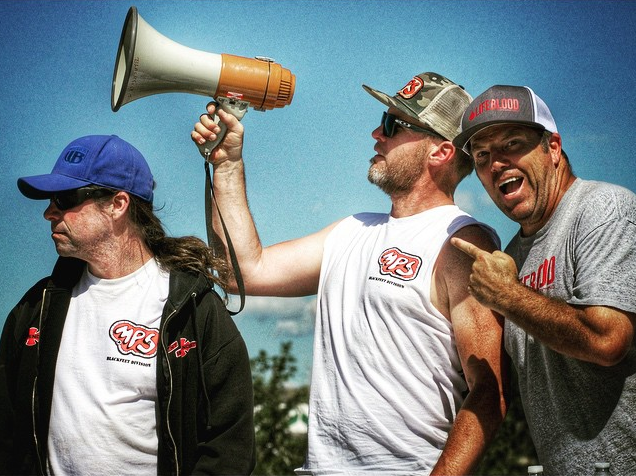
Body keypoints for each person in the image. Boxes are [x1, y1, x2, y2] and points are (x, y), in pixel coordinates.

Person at [192, 72, 509, 475]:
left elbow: (490, 392)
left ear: (441, 152)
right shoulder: (351, 231)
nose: (378, 132)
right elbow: (241, 273)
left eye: (394, 124)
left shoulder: (463, 244)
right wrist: (226, 164)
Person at [0, 135, 256, 475]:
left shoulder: (193, 310)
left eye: (64, 198)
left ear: (118, 204)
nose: (49, 212)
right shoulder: (35, 309)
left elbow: (229, 449)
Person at [451, 85, 636, 475]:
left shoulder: (603, 209)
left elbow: (608, 339)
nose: (496, 163)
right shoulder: (514, 256)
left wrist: (507, 295)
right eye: (482, 156)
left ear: (553, 147)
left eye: (512, 144)